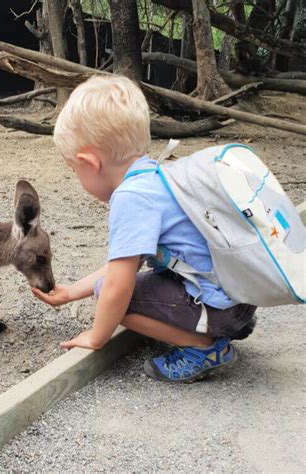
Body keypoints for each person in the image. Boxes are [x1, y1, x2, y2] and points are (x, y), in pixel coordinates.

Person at [32, 75, 256, 383]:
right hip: (242, 299)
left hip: (218, 311)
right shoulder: (158, 176)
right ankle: (225, 326)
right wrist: (69, 293)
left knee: (109, 298)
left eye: (75, 170)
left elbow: (116, 286)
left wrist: (98, 336)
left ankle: (204, 346)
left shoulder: (131, 197)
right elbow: (122, 266)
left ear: (90, 162)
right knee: (134, 281)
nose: (77, 177)